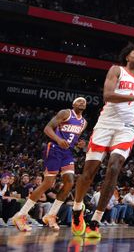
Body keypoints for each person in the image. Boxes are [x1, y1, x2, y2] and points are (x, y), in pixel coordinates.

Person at [71, 44, 134, 239]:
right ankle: (77, 210)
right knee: (89, 173)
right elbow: (108, 96)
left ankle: (95, 221)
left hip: (126, 128)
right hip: (106, 124)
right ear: (126, 56)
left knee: (114, 167)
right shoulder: (116, 70)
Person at [9, 97, 88, 232]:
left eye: (84, 102)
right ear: (73, 104)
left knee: (69, 182)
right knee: (48, 183)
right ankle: (21, 215)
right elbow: (47, 129)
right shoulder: (65, 113)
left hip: (67, 152)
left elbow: (72, 139)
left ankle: (51, 215)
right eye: (79, 101)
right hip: (55, 149)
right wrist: (58, 139)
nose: (82, 103)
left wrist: (79, 145)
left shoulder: (84, 123)